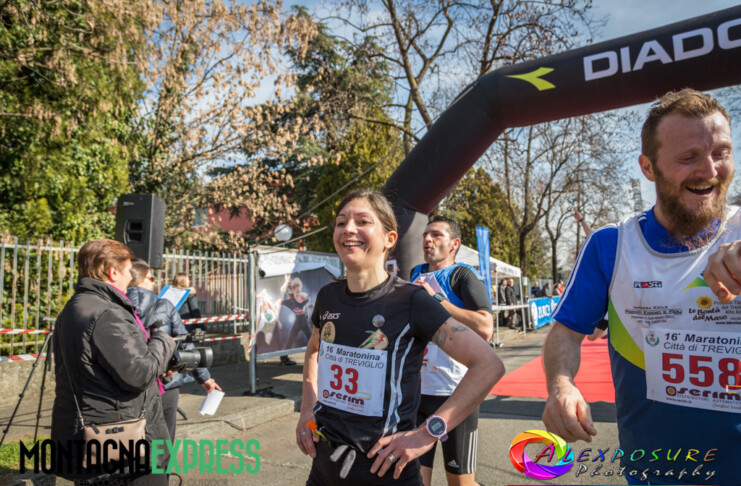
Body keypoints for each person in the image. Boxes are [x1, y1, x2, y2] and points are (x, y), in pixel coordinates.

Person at [542, 89, 740, 485]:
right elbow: (565, 332)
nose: (710, 170)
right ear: (648, 168)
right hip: (657, 470)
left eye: (721, 152)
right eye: (689, 157)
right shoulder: (611, 244)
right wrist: (561, 385)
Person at [296, 189, 504, 486]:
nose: (349, 229)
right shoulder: (328, 297)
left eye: (363, 221)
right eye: (341, 222)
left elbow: (488, 364)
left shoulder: (411, 300)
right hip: (324, 470)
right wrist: (307, 408)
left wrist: (427, 432)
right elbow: (314, 349)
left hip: (386, 473)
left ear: (389, 239)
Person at [51, 239, 175, 484]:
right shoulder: (107, 313)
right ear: (113, 272)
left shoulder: (74, 308)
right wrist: (163, 340)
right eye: (128, 271)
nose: (130, 278)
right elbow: (139, 374)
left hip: (94, 440)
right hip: (122, 446)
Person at [410, 215, 494, 486]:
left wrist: (436, 299)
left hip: (455, 394)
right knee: (415, 481)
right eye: (426, 234)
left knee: (460, 484)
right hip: (417, 394)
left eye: (436, 235)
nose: (427, 239)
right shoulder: (414, 273)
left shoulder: (462, 274)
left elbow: (486, 327)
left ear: (454, 244)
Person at [127, 259, 221, 442]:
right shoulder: (164, 305)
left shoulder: (114, 307)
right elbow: (186, 345)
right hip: (165, 382)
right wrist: (204, 378)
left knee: (132, 439)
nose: (154, 282)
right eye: (151, 278)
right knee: (163, 438)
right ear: (141, 279)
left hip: (130, 384)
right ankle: (161, 461)